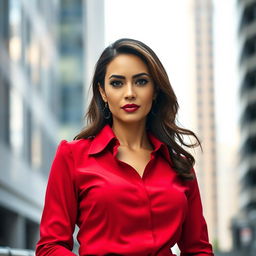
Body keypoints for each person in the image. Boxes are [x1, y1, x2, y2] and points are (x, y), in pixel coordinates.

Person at [36, 38, 214, 256]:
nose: (130, 92)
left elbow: (198, 249)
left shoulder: (180, 165)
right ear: (102, 92)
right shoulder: (72, 156)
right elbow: (50, 247)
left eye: (140, 82)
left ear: (155, 90)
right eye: (117, 83)